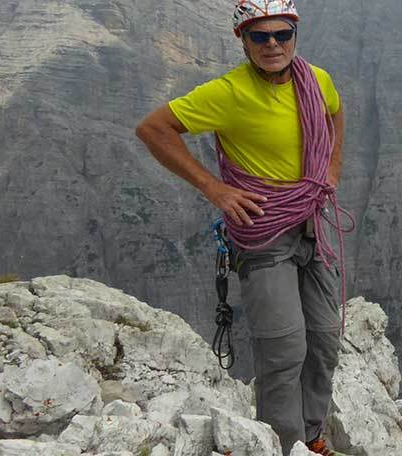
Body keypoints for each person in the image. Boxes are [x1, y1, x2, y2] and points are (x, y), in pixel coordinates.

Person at [135, 1, 347, 454]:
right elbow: (154, 129)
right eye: (260, 36)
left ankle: (311, 436)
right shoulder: (227, 93)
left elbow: (333, 112)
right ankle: (281, 445)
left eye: (281, 34)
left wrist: (333, 164)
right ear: (242, 40)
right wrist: (215, 188)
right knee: (284, 347)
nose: (272, 45)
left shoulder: (317, 80)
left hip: (312, 222)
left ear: (295, 34)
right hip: (264, 234)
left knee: (326, 338)